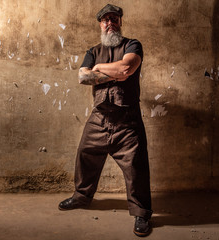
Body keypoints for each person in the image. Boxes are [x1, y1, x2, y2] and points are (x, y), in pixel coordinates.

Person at [58, 3, 153, 237]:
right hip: (99, 117)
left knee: (136, 167)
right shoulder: (92, 50)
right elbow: (82, 77)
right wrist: (111, 71)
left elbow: (126, 69)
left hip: (127, 120)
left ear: (120, 22)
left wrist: (99, 69)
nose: (110, 23)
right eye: (105, 20)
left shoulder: (133, 45)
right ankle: (82, 196)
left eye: (114, 19)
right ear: (100, 24)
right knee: (85, 154)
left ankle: (141, 214)